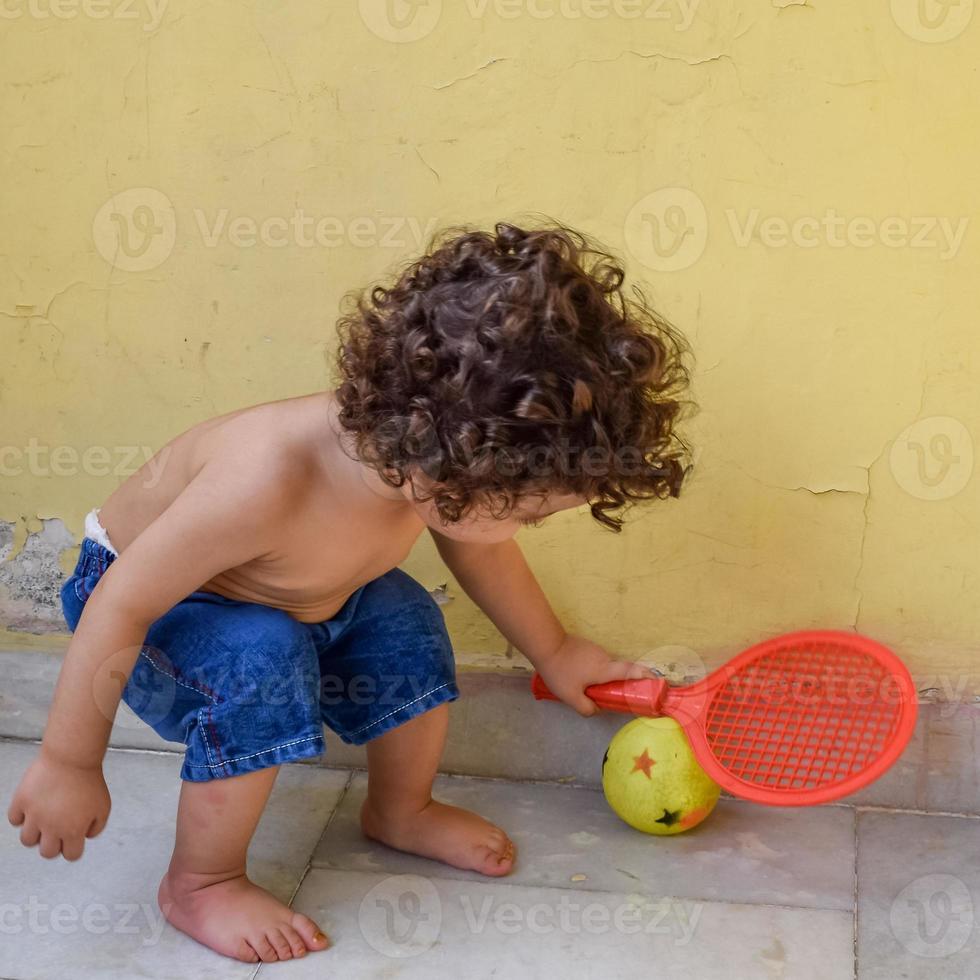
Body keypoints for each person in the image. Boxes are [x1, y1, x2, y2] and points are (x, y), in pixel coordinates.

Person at [7, 222, 693, 963]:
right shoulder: (265, 480)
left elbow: (482, 552)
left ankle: (401, 810)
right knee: (262, 658)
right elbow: (121, 606)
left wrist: (554, 652)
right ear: (447, 467)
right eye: (529, 510)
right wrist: (71, 763)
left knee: (406, 620)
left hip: (306, 598)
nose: (533, 525)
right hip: (159, 609)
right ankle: (200, 882)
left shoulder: (432, 459)